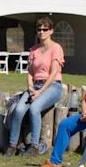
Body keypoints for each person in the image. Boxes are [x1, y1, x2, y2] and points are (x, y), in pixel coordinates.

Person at [5, 17, 64, 157]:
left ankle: (34, 146)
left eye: (45, 29)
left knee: (34, 108)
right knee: (18, 109)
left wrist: (40, 92)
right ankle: (12, 145)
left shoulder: (56, 48)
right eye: (39, 29)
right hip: (35, 85)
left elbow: (54, 72)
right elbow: (30, 72)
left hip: (52, 86)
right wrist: (31, 88)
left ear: (51, 31)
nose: (42, 32)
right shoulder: (34, 50)